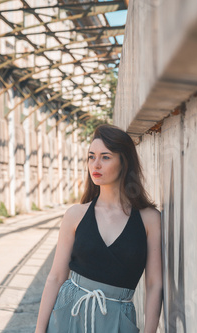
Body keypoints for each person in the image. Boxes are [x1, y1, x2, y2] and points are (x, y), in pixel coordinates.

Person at [35, 124, 163, 333]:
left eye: (105, 157)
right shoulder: (75, 215)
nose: (95, 164)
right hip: (69, 313)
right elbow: (56, 277)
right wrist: (39, 331)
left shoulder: (149, 219)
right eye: (91, 157)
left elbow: (154, 285)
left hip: (117, 319)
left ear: (124, 162)